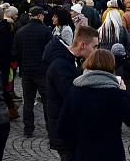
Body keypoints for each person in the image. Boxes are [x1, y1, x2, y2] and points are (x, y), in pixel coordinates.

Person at [57, 48, 130, 161]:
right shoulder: (116, 95)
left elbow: (62, 127)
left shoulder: (75, 91)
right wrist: (124, 92)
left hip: (83, 153)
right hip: (112, 154)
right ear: (111, 66)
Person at [44, 25, 99, 161]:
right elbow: (73, 96)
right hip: (65, 132)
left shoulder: (71, 61)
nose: (96, 51)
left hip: (69, 128)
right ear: (82, 45)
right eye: (95, 47)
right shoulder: (61, 65)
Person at [12, 5, 52, 137]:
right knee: (47, 101)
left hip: (26, 72)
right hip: (42, 71)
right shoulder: (46, 31)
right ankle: (50, 128)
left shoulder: (21, 32)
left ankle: (28, 129)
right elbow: (49, 52)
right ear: (39, 15)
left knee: (28, 102)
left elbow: (16, 53)